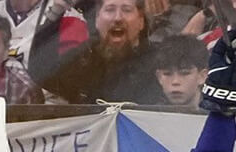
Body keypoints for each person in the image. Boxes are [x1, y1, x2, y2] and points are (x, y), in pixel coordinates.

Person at [28, 0, 162, 104]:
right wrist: (55, 14)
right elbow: (41, 73)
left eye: (126, 10)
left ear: (141, 21)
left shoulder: (158, 61)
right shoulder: (83, 58)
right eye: (110, 10)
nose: (117, 18)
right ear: (97, 20)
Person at [152, 33, 207, 107]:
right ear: (159, 77)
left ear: (202, 76)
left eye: (185, 73)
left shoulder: (220, 116)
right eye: (167, 74)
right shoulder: (146, 115)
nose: (175, 81)